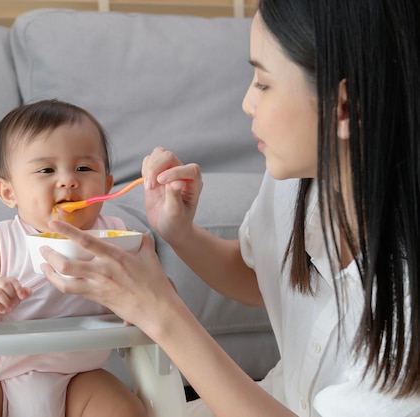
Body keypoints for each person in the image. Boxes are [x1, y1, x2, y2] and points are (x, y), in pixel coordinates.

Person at [39, 1, 420, 416]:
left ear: (343, 106)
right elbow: (259, 278)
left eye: (263, 82)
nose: (246, 103)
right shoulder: (295, 178)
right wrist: (180, 232)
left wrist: (162, 312)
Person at [0, 99, 146, 417]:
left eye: (84, 168)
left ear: (107, 184)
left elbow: (157, 293)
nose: (68, 180)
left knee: (123, 409)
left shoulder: (117, 238)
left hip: (79, 380)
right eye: (47, 170)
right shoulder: (3, 241)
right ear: (9, 192)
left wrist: (141, 303)